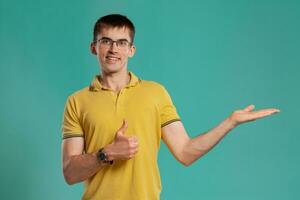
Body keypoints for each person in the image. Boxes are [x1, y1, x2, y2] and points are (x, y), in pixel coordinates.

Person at [61, 14, 280, 200]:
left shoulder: (155, 93)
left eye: (121, 42)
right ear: (94, 47)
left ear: (131, 50)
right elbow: (70, 173)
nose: (113, 49)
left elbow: (185, 152)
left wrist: (230, 123)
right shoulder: (77, 101)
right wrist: (106, 153)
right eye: (106, 41)